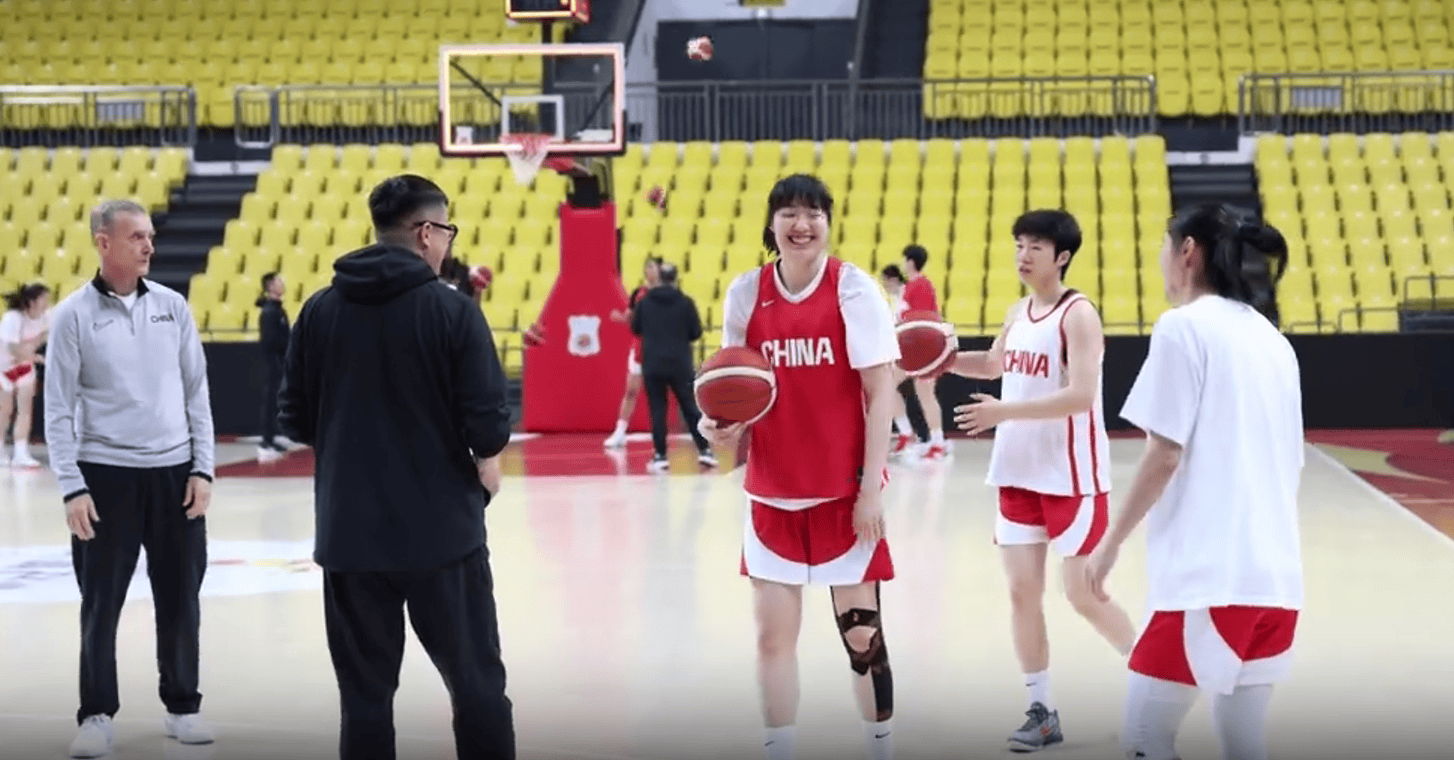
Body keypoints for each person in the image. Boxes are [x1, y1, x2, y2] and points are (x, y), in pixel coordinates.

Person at [277, 174, 516, 760]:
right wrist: (484, 462)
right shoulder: (453, 311)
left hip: (350, 535)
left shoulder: (318, 310)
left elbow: (294, 420)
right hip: (443, 534)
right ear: (427, 233)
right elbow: (487, 425)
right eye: (448, 231)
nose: (450, 244)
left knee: (364, 700)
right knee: (476, 687)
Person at [1085, 204, 1302, 760]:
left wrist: (1109, 544)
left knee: (1144, 739)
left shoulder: (1182, 327)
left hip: (1209, 584)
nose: (1160, 259)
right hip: (1276, 584)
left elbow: (1164, 454)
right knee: (1243, 744)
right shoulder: (1274, 341)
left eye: (1164, 246)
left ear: (1187, 251)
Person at [699, 174, 901, 760]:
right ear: (772, 225)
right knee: (772, 640)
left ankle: (881, 748)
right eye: (788, 212)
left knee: (862, 637)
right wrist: (720, 426)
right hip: (773, 491)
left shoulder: (853, 289)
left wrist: (870, 490)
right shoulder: (746, 292)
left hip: (843, 493)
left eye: (813, 213)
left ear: (828, 224)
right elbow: (735, 386)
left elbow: (881, 392)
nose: (801, 224)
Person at [946, 209, 1135, 752]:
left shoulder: (1079, 315)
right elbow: (994, 365)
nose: (1023, 256)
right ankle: (1042, 712)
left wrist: (1002, 412)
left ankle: (1159, 683)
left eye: (1035, 247)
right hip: (1017, 473)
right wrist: (940, 360)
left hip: (1070, 476)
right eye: (1019, 245)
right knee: (1021, 594)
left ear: (1062, 256)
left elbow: (1081, 395)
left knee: (1083, 593)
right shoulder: (1018, 311)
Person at [44, 199, 217, 758]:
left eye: (150, 235)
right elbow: (57, 410)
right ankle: (96, 714)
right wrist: (72, 486)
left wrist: (203, 468)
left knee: (181, 600)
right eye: (136, 236)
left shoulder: (173, 306)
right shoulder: (72, 315)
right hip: (105, 478)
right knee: (101, 605)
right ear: (103, 242)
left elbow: (197, 393)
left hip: (175, 476)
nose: (149, 245)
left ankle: (182, 706)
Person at [629, 261, 716, 472]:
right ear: (675, 278)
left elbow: (635, 327)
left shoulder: (645, 303)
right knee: (689, 407)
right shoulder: (686, 302)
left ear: (659, 277)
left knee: (658, 410)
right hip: (680, 363)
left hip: (653, 363)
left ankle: (660, 455)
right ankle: (705, 450)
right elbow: (696, 332)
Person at [603, 256, 663, 448]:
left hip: (660, 349)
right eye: (648, 267)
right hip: (640, 347)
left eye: (653, 267)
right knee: (631, 390)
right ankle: (620, 432)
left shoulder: (667, 294)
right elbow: (630, 317)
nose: (650, 270)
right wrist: (619, 317)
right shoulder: (639, 293)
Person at [895, 245, 948, 459]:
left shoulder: (920, 285)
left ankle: (936, 442)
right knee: (887, 385)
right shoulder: (912, 286)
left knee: (924, 392)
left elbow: (922, 317)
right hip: (913, 346)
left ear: (910, 261)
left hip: (924, 346)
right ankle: (908, 433)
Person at [1, 281, 50, 467]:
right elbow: (12, 349)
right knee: (5, 410)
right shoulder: (12, 318)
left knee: (25, 410)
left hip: (24, 367)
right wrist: (36, 357)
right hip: (4, 368)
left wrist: (34, 352)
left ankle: (21, 453)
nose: (47, 303)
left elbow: (40, 338)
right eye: (44, 299)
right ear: (32, 302)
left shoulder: (45, 318)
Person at [255, 272, 290, 463]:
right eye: (278, 282)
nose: (282, 284)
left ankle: (273, 437)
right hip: (272, 362)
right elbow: (270, 340)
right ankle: (266, 441)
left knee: (276, 401)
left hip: (279, 361)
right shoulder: (269, 311)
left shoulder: (278, 310)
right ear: (270, 286)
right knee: (270, 402)